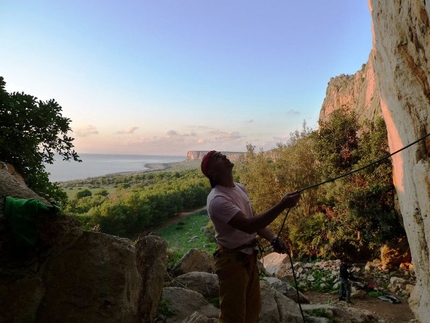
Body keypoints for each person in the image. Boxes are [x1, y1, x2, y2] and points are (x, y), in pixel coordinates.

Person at [201, 150, 301, 323]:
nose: (223, 156)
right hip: (232, 261)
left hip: (248, 257)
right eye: (217, 157)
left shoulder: (240, 188)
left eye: (221, 153)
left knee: (253, 310)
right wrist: (282, 205)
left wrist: (272, 238)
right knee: (233, 316)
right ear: (213, 173)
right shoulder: (217, 199)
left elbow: (252, 219)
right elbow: (249, 226)